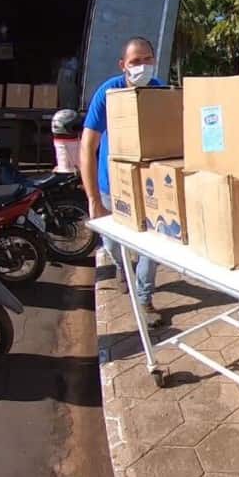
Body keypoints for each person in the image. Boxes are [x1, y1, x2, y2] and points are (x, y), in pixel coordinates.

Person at [79, 37, 163, 326]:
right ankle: (121, 267)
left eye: (147, 59)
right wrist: (92, 198)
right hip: (111, 189)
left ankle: (144, 299)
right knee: (115, 246)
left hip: (149, 187)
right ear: (123, 65)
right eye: (135, 62)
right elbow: (88, 146)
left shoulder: (159, 90)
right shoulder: (108, 92)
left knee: (152, 246)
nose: (143, 66)